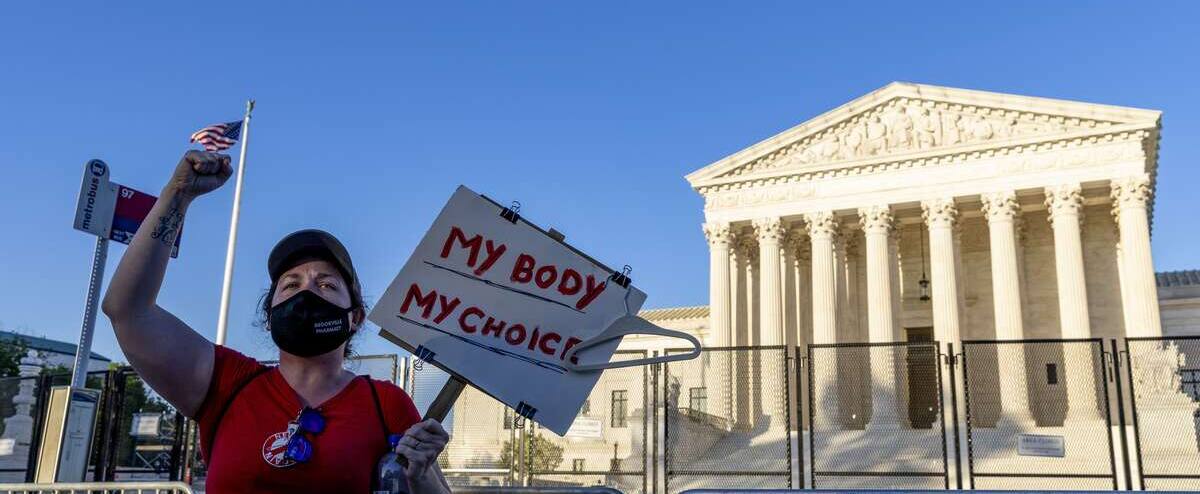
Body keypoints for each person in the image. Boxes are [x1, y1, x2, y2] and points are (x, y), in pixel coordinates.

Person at [102, 150, 451, 493]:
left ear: (355, 317)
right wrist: (176, 195)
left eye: (326, 284)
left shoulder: (386, 403)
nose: (308, 292)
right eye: (291, 284)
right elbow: (126, 309)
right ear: (269, 316)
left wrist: (421, 475)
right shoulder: (224, 383)